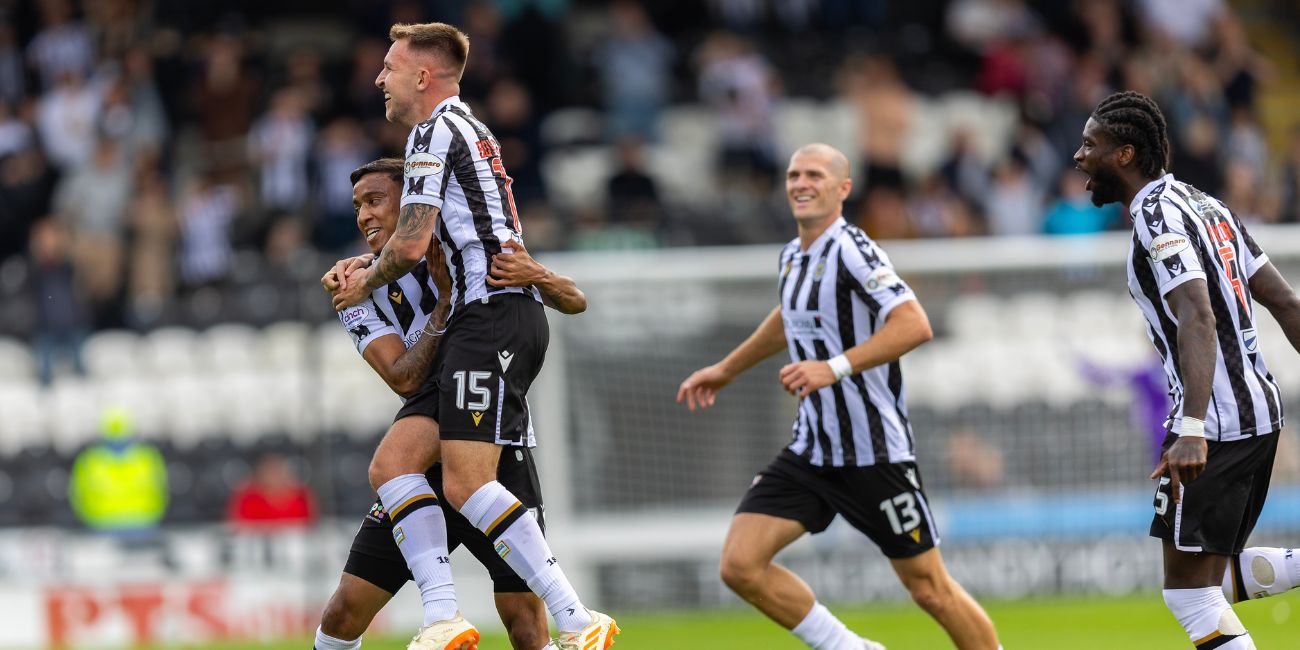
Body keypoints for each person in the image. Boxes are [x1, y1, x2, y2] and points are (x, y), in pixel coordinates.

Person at [329, 21, 619, 650]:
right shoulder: (469, 132)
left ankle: (574, 617)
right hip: (482, 328)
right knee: (393, 464)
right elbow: (404, 367)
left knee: (466, 487)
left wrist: (365, 282)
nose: (380, 78)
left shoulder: (434, 131)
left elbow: (409, 244)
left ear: (423, 75)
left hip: (491, 319)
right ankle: (444, 618)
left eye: (389, 67)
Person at [677, 143, 1001, 650]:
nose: (800, 183)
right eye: (793, 175)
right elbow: (789, 317)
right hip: (814, 450)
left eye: (814, 175)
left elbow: (914, 323)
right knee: (740, 565)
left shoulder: (853, 249)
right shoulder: (792, 255)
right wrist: (726, 369)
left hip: (874, 451)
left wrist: (835, 367)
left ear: (842, 189)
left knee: (930, 590)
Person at [317, 158, 586, 650]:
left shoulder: (469, 249)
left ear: (416, 204)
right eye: (357, 206)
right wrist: (441, 310)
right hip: (423, 457)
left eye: (375, 201)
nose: (363, 216)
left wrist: (538, 274)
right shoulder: (355, 288)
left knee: (525, 622)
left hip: (491, 450)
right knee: (344, 610)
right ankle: (446, 613)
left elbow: (575, 300)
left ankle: (560, 616)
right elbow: (401, 378)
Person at [1074, 90, 1300, 648]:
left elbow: (1195, 313)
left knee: (1190, 594)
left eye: (1089, 144)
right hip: (1258, 418)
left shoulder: (1155, 215)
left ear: (1124, 155)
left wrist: (1192, 427)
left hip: (1215, 427)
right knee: (1212, 576)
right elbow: (1286, 302)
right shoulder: (1208, 205)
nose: (1079, 156)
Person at [68, 406, 168, 536]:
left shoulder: (88, 460)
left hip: (120, 526)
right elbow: (163, 492)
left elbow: (76, 497)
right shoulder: (149, 458)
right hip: (127, 525)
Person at [226, 451, 316, 530]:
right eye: (269, 470)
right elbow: (237, 527)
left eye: (277, 470)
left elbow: (311, 526)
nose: (273, 476)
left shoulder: (301, 495)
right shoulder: (246, 497)